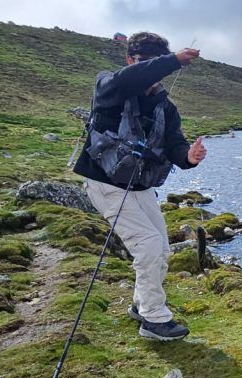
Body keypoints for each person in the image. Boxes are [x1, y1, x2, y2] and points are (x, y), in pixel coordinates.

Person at [73, 32, 206, 341]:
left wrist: (189, 156)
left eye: (159, 63)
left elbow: (175, 145)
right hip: (104, 182)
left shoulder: (165, 106)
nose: (155, 71)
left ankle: (140, 304)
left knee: (160, 246)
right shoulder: (110, 86)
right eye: (147, 63)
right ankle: (153, 319)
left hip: (139, 186)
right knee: (146, 245)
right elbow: (130, 80)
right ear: (130, 61)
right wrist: (172, 61)